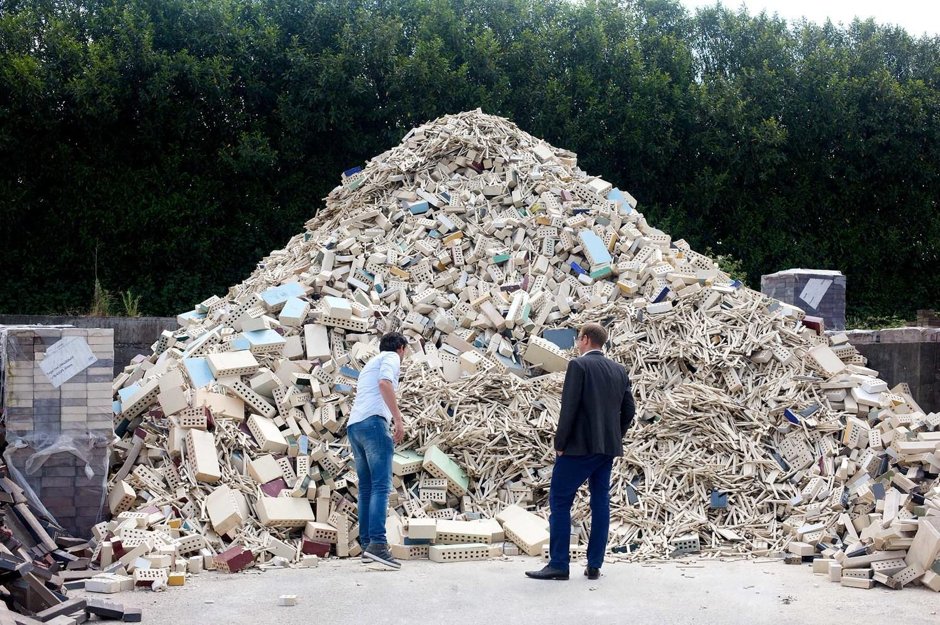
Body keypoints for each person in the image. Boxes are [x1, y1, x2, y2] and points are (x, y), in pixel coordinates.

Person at [526, 322, 635, 581]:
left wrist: (560, 444)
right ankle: (594, 565)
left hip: (578, 449)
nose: (576, 343)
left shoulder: (578, 366)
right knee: (600, 503)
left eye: (577, 339)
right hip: (606, 449)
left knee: (560, 501)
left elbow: (569, 408)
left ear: (585, 339)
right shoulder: (619, 370)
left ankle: (559, 564)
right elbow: (629, 410)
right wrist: (614, 436)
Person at [347, 332, 408, 569]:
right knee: (381, 486)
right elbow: (385, 383)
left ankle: (367, 545)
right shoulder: (391, 357)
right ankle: (378, 545)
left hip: (355, 426)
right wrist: (398, 420)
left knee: (366, 488)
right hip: (373, 424)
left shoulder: (370, 363)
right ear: (401, 348)